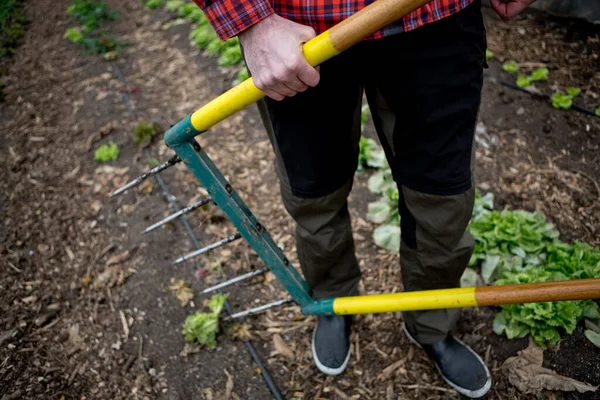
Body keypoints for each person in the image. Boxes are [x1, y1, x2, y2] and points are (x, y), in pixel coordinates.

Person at [191, 0, 536, 397]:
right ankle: (332, 300)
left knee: (442, 199)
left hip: (434, 19)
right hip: (298, 31)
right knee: (314, 192)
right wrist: (252, 20)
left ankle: (431, 321)